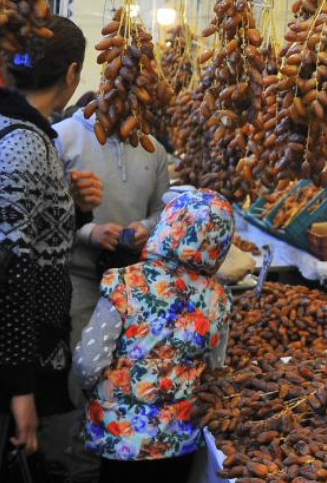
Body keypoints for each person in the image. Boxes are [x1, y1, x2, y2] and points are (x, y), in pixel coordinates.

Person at [0, 17, 104, 482]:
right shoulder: (22, 142)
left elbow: (21, 233)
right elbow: (15, 267)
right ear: (72, 75)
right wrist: (20, 388)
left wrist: (73, 210)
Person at [73, 189, 233, 483]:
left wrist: (92, 391)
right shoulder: (219, 299)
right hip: (181, 437)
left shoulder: (125, 282)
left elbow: (88, 361)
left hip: (122, 435)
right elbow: (215, 368)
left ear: (169, 224)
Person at [53, 99, 170, 483]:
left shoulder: (153, 149)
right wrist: (90, 232)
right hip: (81, 279)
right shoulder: (64, 137)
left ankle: (113, 466)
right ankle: (81, 466)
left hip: (135, 284)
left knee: (125, 382)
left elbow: (162, 213)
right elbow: (47, 215)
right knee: (85, 374)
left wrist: (145, 227)